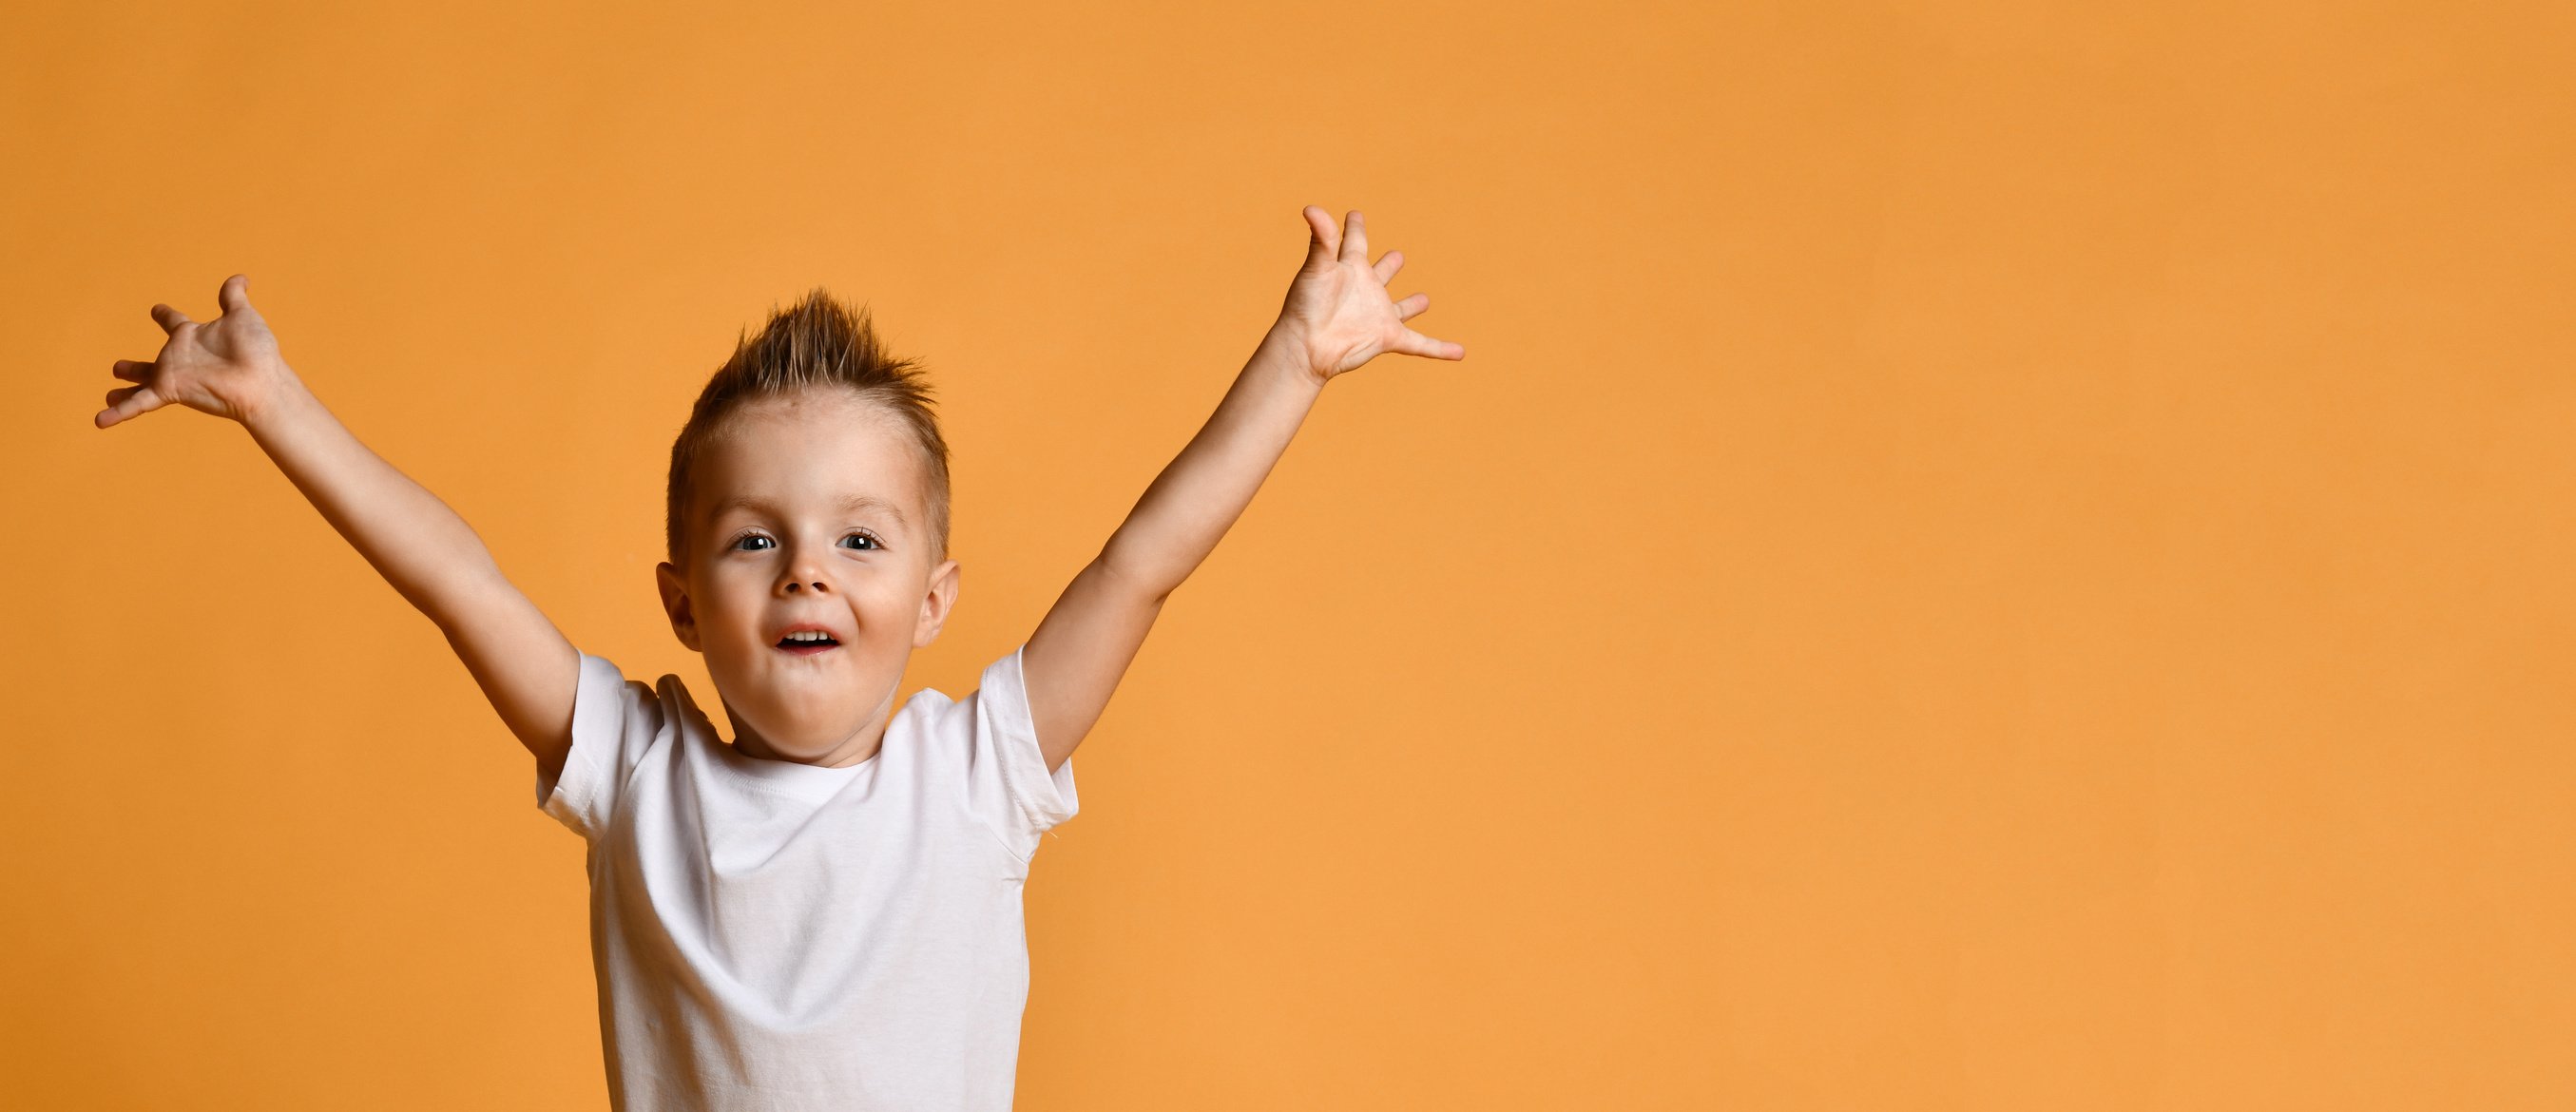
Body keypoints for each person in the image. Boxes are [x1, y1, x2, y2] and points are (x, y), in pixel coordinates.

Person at [92, 206, 1464, 1111]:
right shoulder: (632, 770)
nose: (807, 568)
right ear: (682, 601)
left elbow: (1143, 560)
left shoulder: (977, 772)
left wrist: (1296, 360)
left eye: (859, 542)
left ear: (934, 599)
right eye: (756, 542)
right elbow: (456, 580)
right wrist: (275, 404)